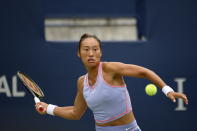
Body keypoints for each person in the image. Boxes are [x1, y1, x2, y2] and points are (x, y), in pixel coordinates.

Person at [35, 33, 188, 131]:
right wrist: (48, 108)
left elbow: (144, 72)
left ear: (100, 52)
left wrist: (167, 90)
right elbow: (76, 113)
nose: (91, 53)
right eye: (86, 49)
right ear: (78, 53)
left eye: (95, 49)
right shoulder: (82, 82)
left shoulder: (110, 69)